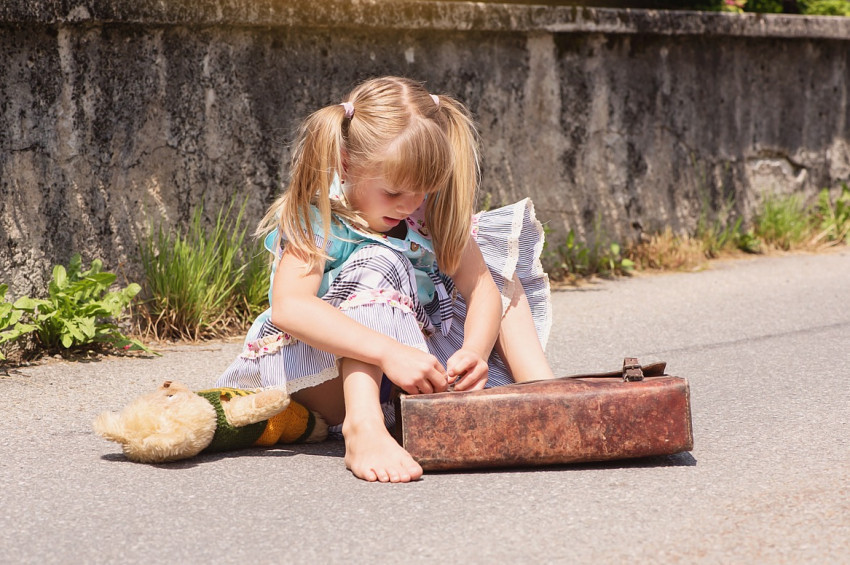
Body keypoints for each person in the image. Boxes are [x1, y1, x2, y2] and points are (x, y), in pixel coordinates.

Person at [216, 76, 554, 482]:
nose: (410, 204)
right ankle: (365, 428)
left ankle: (542, 393)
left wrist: (476, 353)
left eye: (424, 191)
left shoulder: (425, 215)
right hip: (322, 375)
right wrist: (388, 352)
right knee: (378, 260)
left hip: (409, 375)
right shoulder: (321, 217)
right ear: (346, 163)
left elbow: (481, 286)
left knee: (501, 272)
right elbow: (290, 307)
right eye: (394, 193)